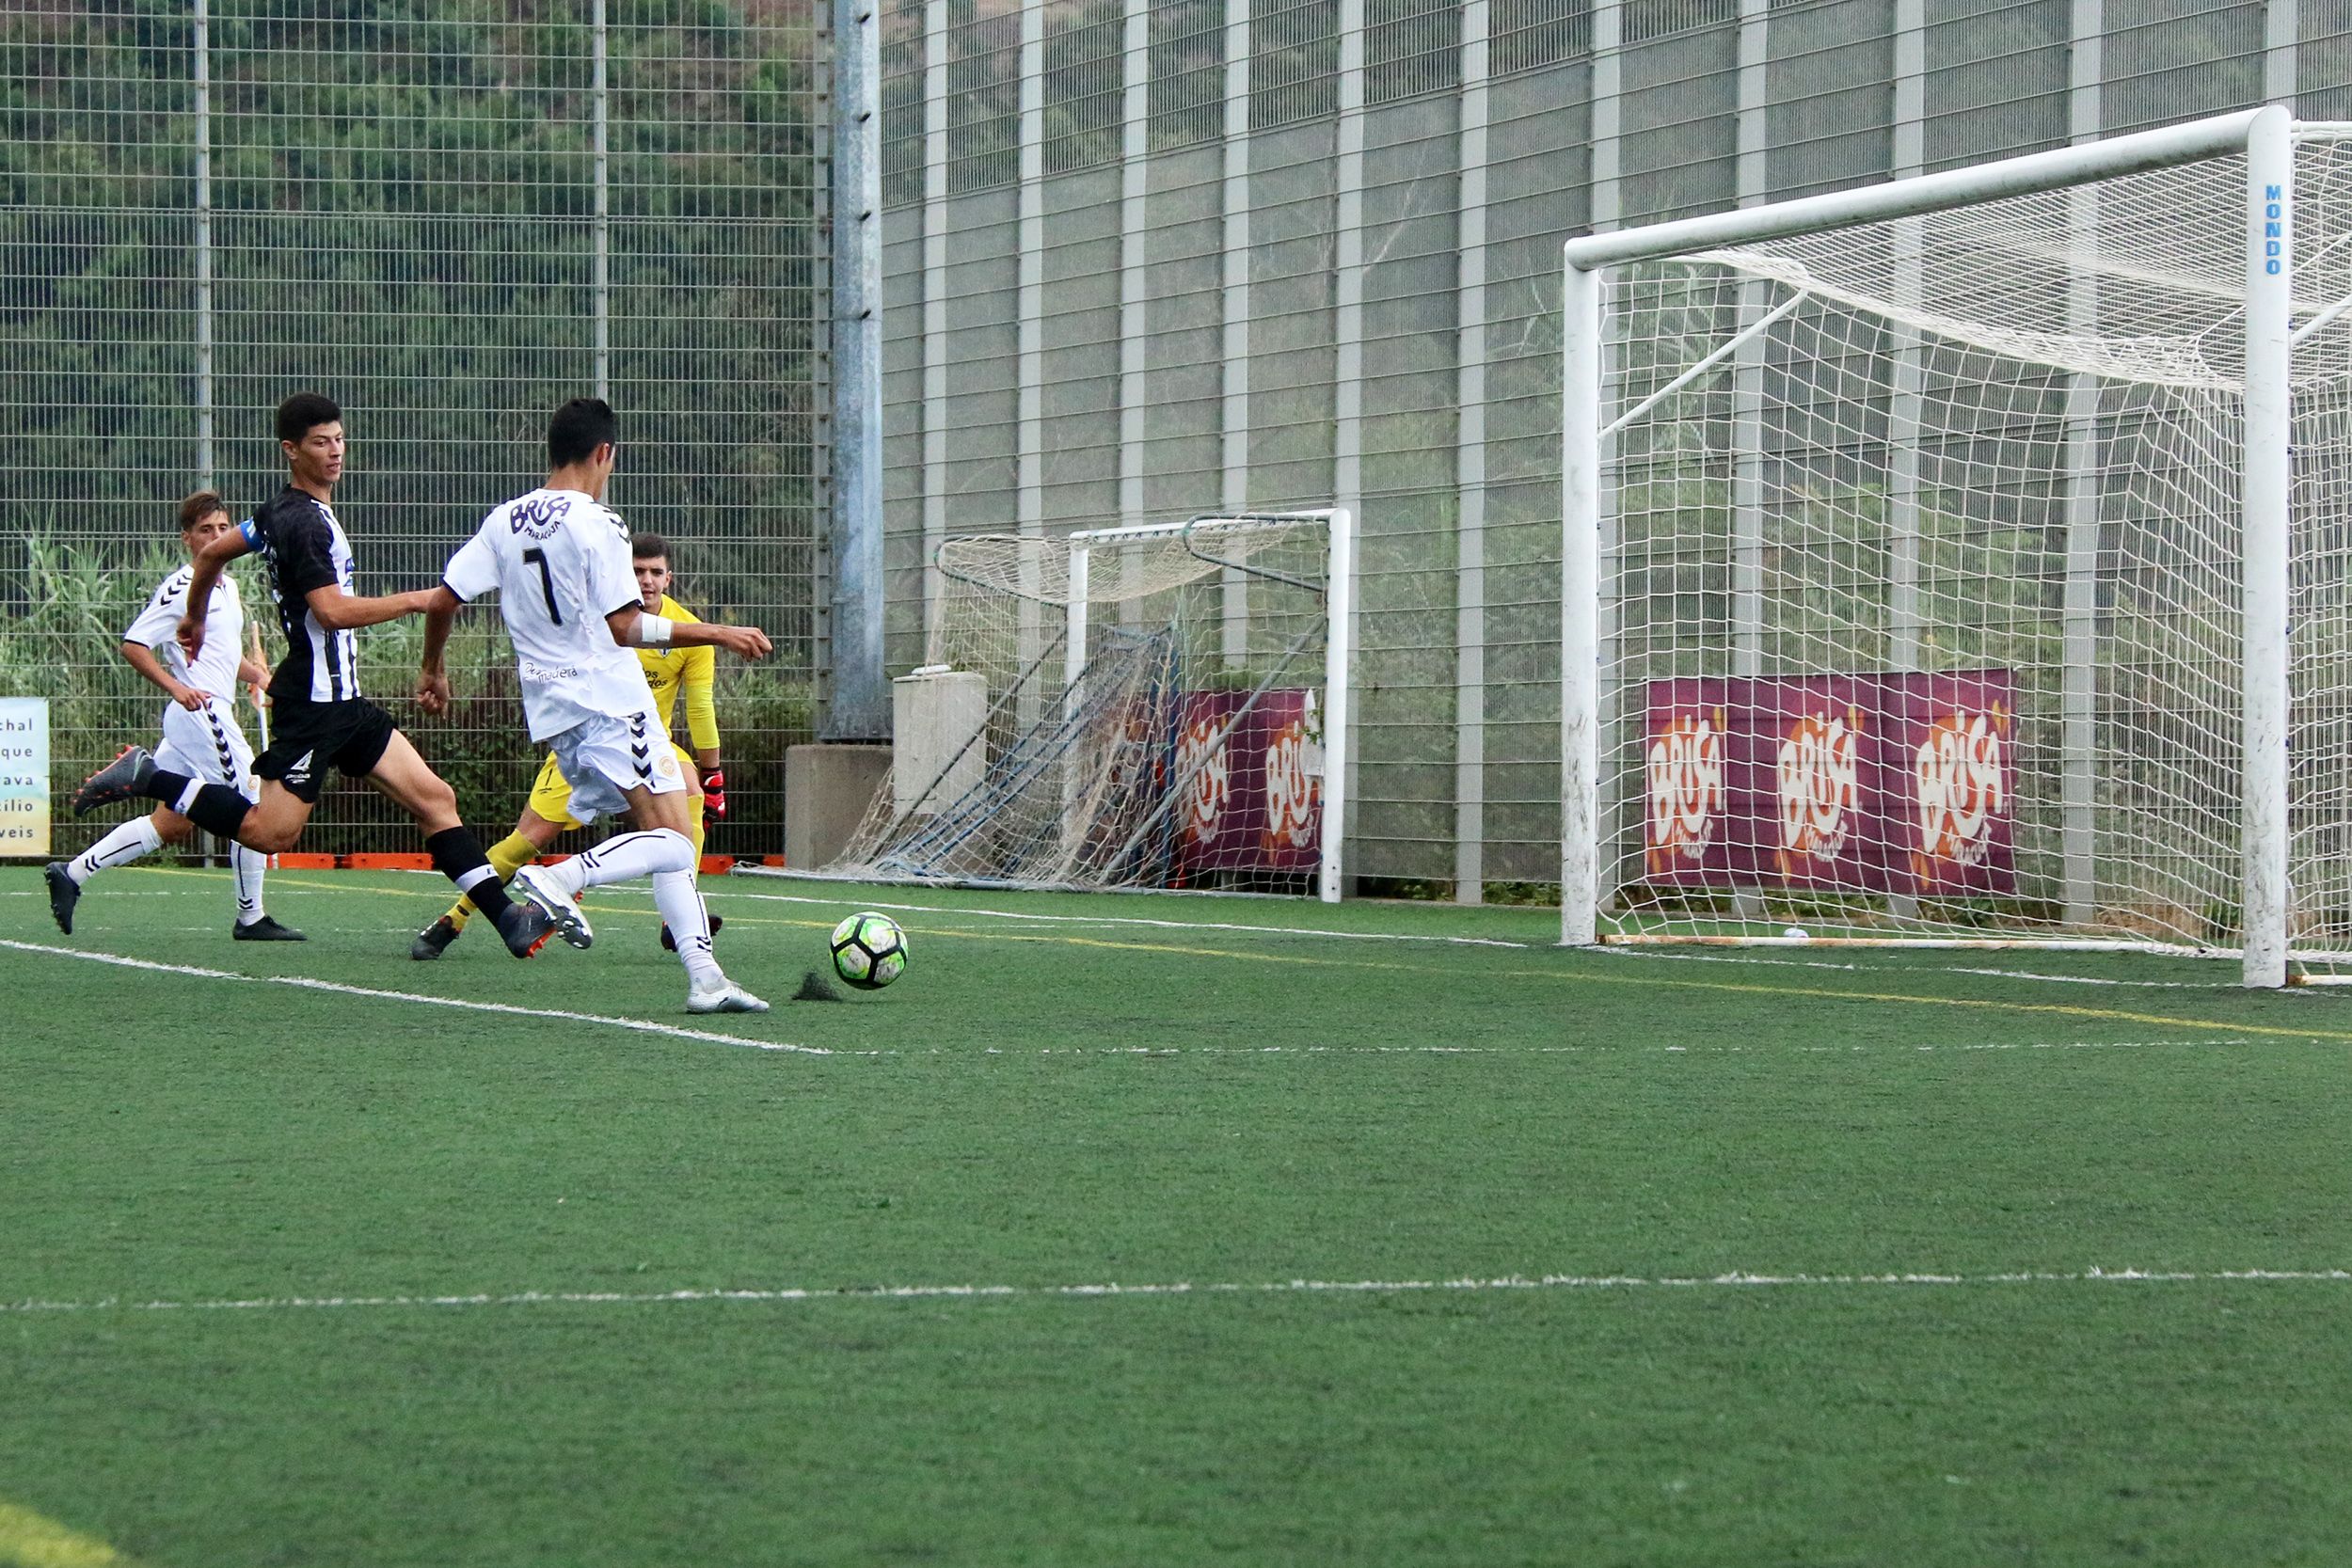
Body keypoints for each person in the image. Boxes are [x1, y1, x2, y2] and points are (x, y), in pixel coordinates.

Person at [69, 392, 555, 959]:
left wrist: (195, 616)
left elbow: (212, 554)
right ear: (291, 450)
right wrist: (420, 599)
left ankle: (508, 919)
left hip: (346, 704)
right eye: (321, 443)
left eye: (339, 439)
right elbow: (330, 612)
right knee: (268, 833)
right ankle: (149, 776)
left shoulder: (281, 511)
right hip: (311, 705)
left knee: (435, 799)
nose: (335, 451)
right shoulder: (302, 522)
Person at [417, 396, 775, 1013]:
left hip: (554, 713)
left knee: (668, 837)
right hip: (611, 702)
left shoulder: (504, 519)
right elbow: (625, 626)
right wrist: (717, 632)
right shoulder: (599, 522)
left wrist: (433, 668)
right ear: (604, 453)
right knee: (674, 840)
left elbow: (445, 599)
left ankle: (705, 978)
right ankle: (560, 876)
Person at [409, 531, 730, 959]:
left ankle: (679, 918)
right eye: (638, 571)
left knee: (690, 792)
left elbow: (701, 707)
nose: (647, 580)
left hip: (648, 746)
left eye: (656, 572)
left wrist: (712, 774)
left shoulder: (686, 631)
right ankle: (455, 917)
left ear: (669, 578)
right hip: (587, 742)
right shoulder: (604, 620)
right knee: (525, 842)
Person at [45, 491, 302, 941]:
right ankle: (250, 918)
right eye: (205, 530)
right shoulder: (182, 588)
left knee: (171, 823)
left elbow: (224, 655)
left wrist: (261, 678)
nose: (217, 537)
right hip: (201, 713)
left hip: (200, 717)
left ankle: (72, 873)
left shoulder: (227, 585)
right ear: (187, 539)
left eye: (223, 528)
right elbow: (133, 645)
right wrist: (177, 687)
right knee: (255, 805)